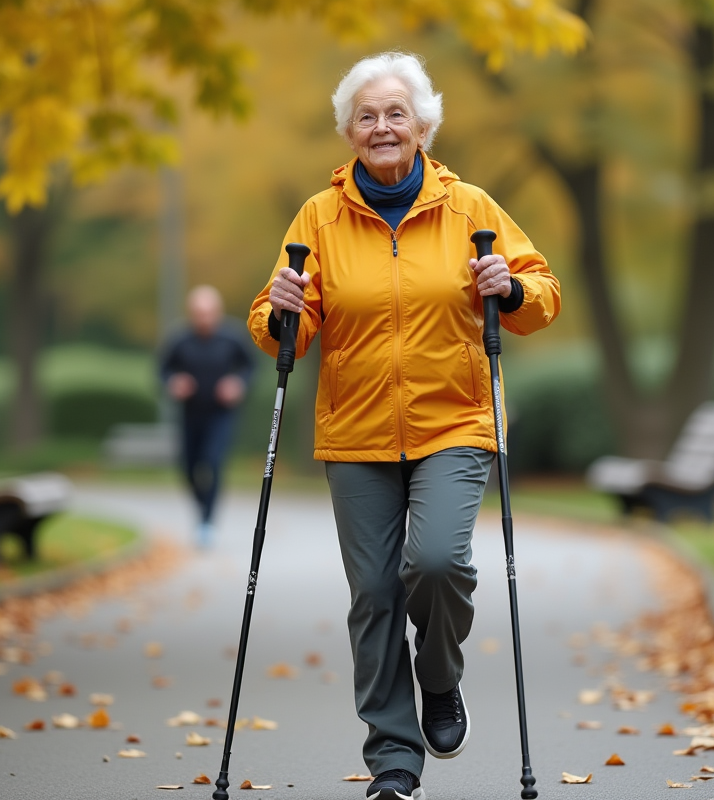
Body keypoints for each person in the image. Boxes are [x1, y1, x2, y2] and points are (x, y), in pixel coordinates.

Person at [247, 52, 560, 800]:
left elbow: (543, 294)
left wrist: (508, 285)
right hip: (355, 433)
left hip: (456, 419)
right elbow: (277, 327)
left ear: (423, 125)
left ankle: (440, 676)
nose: (382, 126)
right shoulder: (319, 219)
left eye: (396, 113)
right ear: (349, 132)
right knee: (375, 596)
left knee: (438, 565)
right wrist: (282, 308)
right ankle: (393, 757)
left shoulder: (471, 209)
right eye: (366, 115)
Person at [160, 285, 255, 548]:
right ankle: (203, 508)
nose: (204, 318)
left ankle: (207, 522)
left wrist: (238, 383)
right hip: (191, 414)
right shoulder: (180, 340)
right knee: (188, 468)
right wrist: (174, 382)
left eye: (208, 313)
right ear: (191, 314)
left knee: (212, 463)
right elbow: (163, 370)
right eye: (198, 313)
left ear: (218, 312)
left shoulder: (232, 338)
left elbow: (250, 367)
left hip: (220, 415)